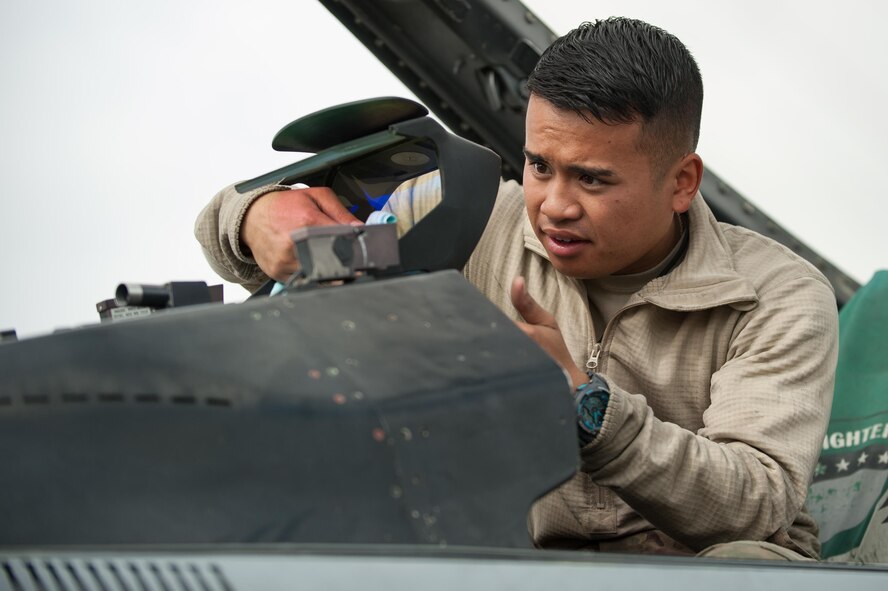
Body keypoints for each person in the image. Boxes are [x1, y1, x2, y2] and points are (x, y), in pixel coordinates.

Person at [194, 17, 838, 560]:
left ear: (681, 182)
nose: (553, 206)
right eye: (538, 166)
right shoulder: (474, 216)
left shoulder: (776, 295)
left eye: (591, 179)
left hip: (698, 562)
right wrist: (256, 218)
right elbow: (233, 214)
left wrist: (589, 412)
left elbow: (756, 504)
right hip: (513, 558)